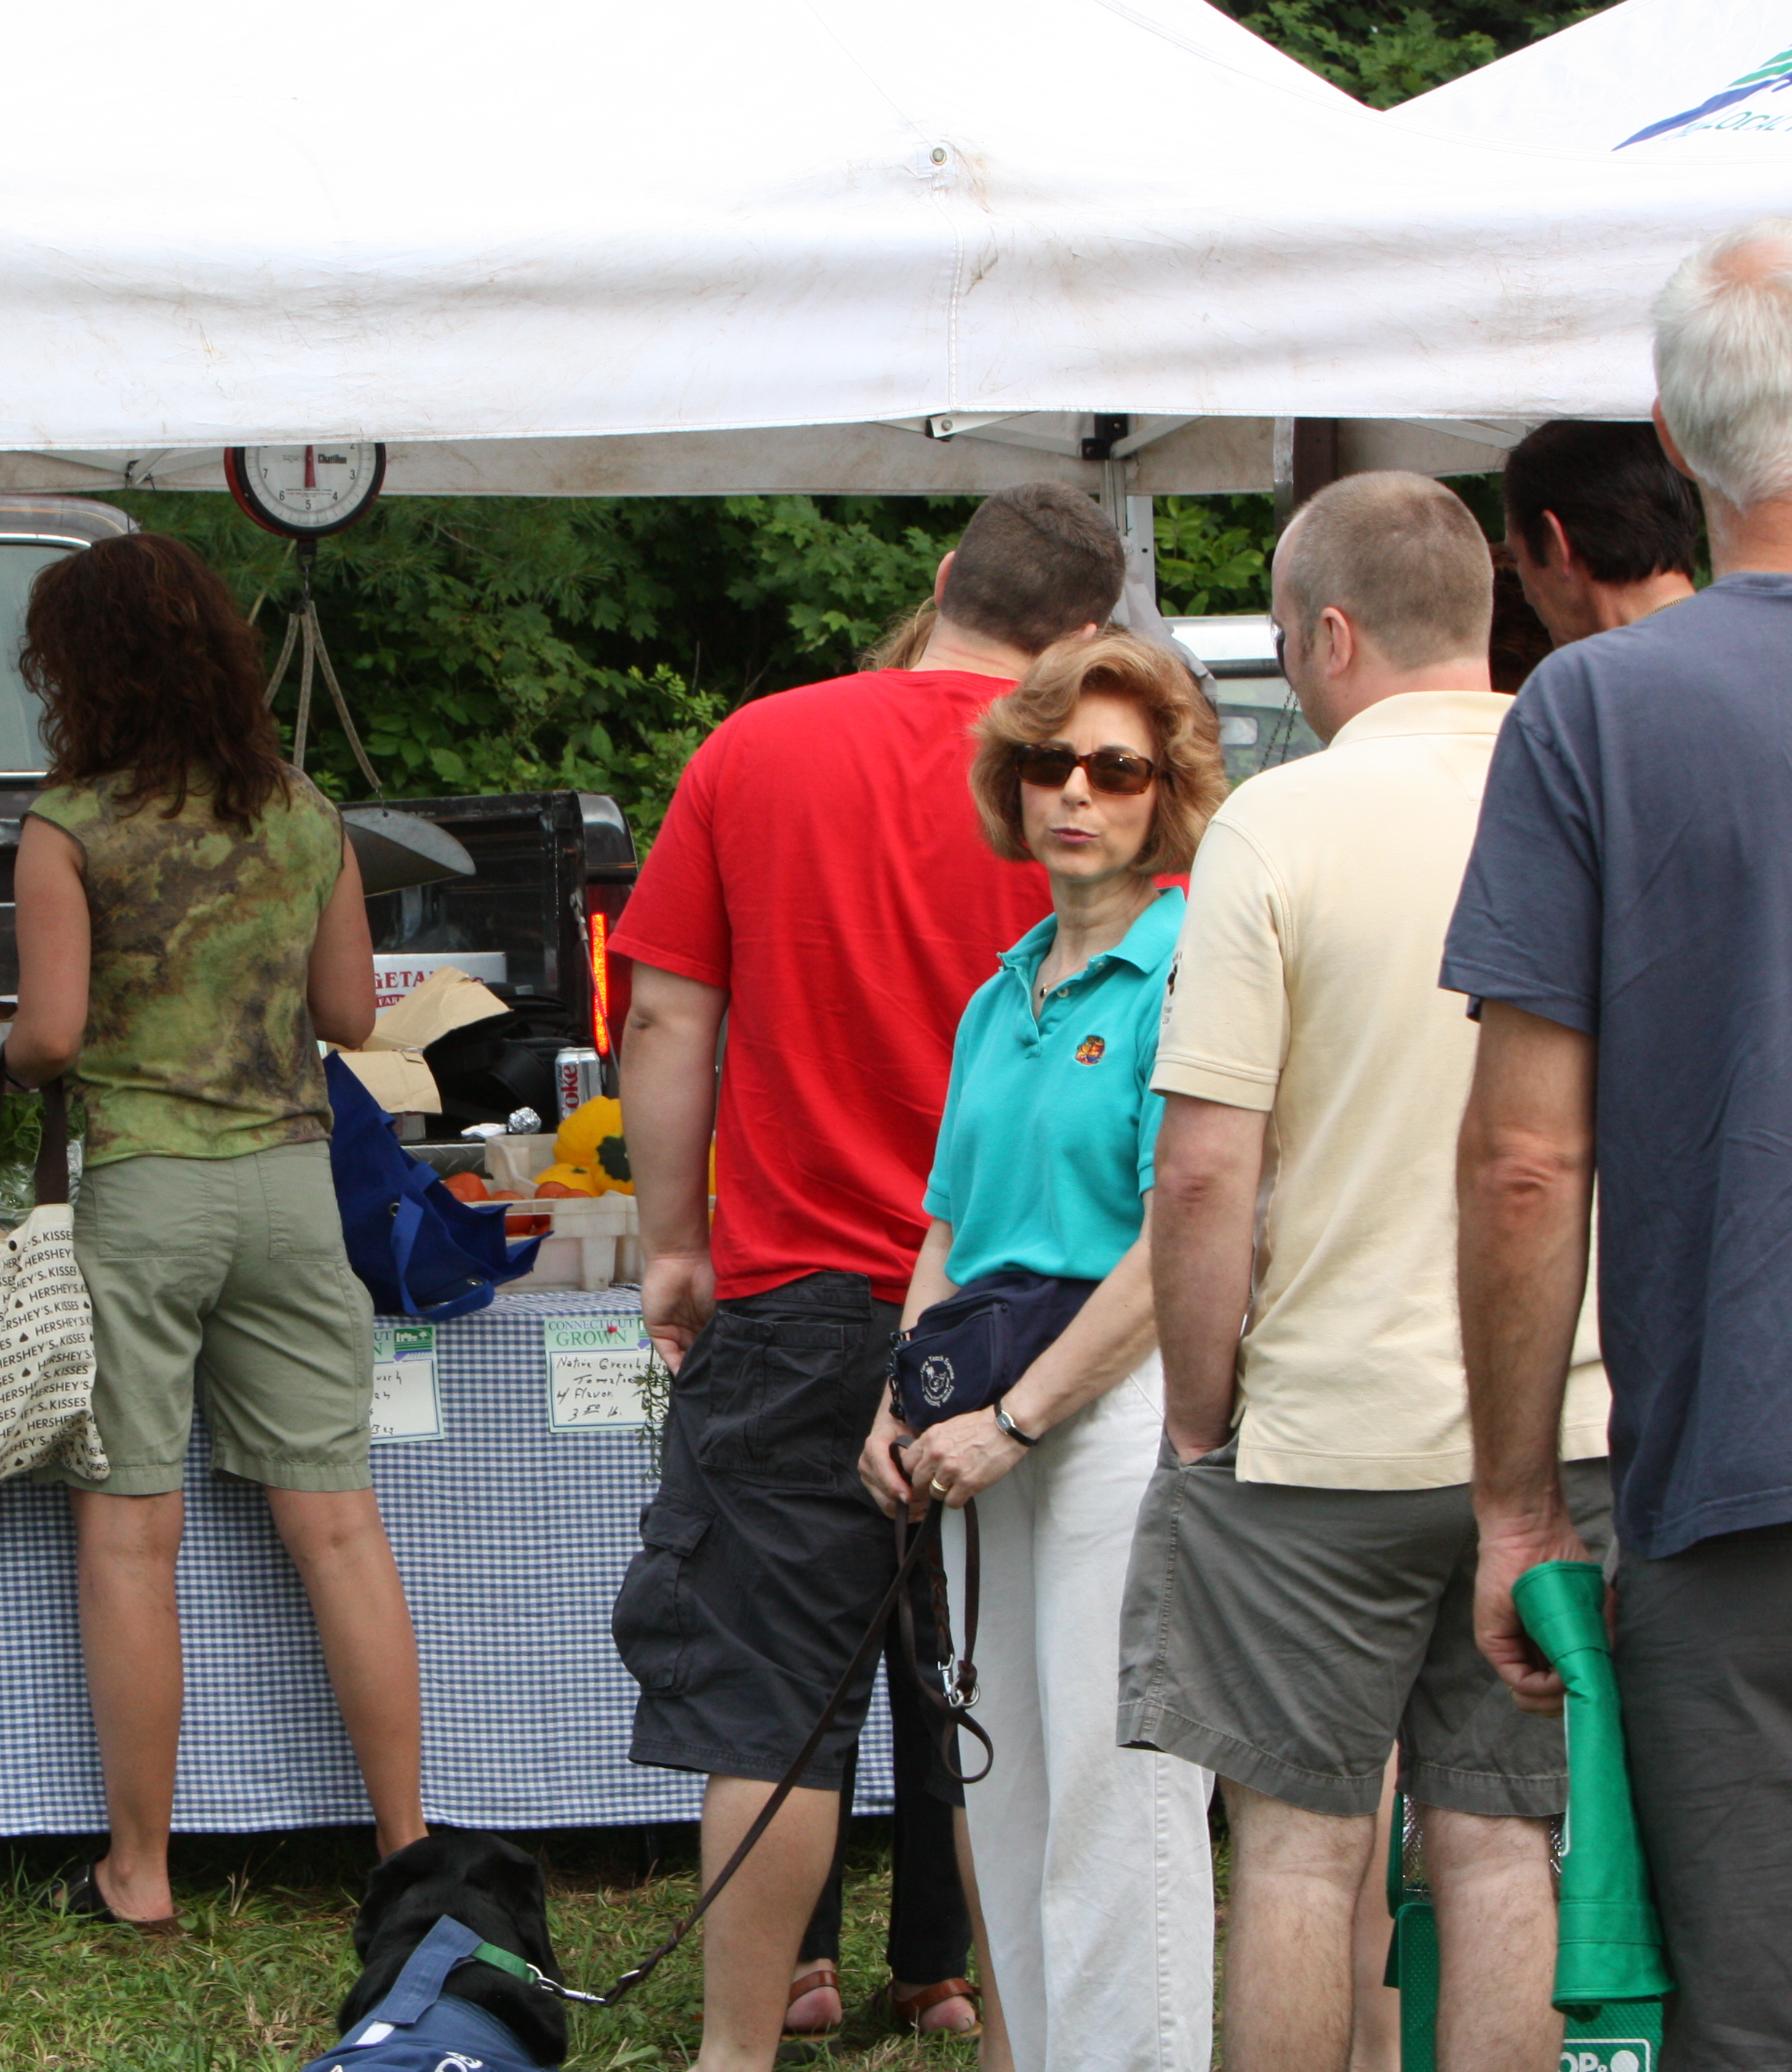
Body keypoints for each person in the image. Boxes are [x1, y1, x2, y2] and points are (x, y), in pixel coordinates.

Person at [1449, 218, 1792, 2072]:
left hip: (1760, 1484)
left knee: (1785, 2031)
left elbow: (1525, 1158)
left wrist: (1514, 1504)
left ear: (1675, 441)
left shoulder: (1593, 711)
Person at [614, 481, 1128, 2072]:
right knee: (1004, 1692)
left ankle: (738, 2047)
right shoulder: (1094, 786)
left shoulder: (757, 745)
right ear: (1088, 633)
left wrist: (673, 1242)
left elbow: (666, 1016)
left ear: (945, 575)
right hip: (1032, 1309)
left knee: (774, 1687)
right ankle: (1018, 2032)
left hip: (800, 1282)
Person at [1118, 472, 1614, 2072]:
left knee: (1295, 1854)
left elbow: (1205, 1167)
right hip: (1562, 1415)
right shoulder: (1590, 776)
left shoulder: (1279, 820)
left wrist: (1200, 1412)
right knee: (1504, 1848)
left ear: (1330, 635)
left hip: (1322, 1433)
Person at [0, 532, 426, 1932]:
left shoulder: (67, 824)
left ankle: (141, 1870)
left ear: (79, 670)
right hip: (292, 1190)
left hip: (143, 1191)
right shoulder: (303, 811)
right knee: (339, 1527)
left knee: (132, 1537)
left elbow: (52, 1032)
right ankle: (406, 1849)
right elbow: (352, 1014)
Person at [863, 628, 1226, 2072]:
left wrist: (1016, 1417)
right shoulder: (997, 990)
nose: (1076, 790)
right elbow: (949, 1233)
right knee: (1004, 1783)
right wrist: (900, 1400)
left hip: (1110, 1408)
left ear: (1166, 792)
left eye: (1116, 768)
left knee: (1117, 1791)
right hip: (981, 1414)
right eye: (1049, 760)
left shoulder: (1189, 966)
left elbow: (1176, 1243)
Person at [1501, 418, 1698, 645]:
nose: (1527, 597)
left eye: (1517, 558)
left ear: (1555, 545)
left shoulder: (1591, 666)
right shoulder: (1731, 631)